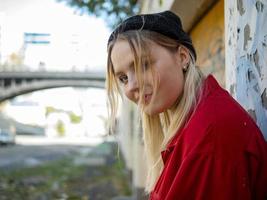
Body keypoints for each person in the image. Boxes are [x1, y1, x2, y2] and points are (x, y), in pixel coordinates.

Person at [106, 10, 267, 200]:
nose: (131, 86)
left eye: (143, 65)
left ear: (182, 57)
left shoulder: (209, 135)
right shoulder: (196, 122)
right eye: (123, 78)